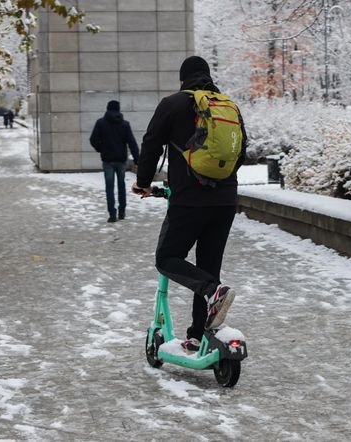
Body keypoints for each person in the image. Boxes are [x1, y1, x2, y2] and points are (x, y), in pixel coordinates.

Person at [132, 56, 247, 352]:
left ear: (182, 79)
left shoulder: (173, 104)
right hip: (225, 201)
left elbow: (150, 144)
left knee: (167, 257)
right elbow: (240, 151)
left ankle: (212, 291)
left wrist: (143, 182)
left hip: (189, 200)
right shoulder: (227, 106)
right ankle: (198, 334)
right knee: (209, 265)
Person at [89, 100, 140, 223]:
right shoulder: (124, 124)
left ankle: (112, 214)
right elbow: (132, 143)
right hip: (121, 160)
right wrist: (137, 160)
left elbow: (93, 139)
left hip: (108, 160)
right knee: (121, 186)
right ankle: (122, 212)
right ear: (118, 109)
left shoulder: (100, 123)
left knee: (109, 187)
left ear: (107, 108)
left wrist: (101, 149)